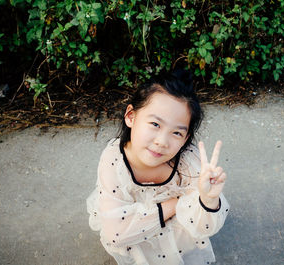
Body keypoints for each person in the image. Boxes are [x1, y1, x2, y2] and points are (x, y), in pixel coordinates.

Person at [86, 70, 230, 265]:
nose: (162, 141)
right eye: (155, 124)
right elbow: (115, 233)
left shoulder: (188, 161)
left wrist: (208, 199)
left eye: (177, 133)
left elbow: (204, 227)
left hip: (175, 239)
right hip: (137, 234)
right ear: (131, 116)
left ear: (186, 138)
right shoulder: (114, 159)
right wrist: (178, 202)